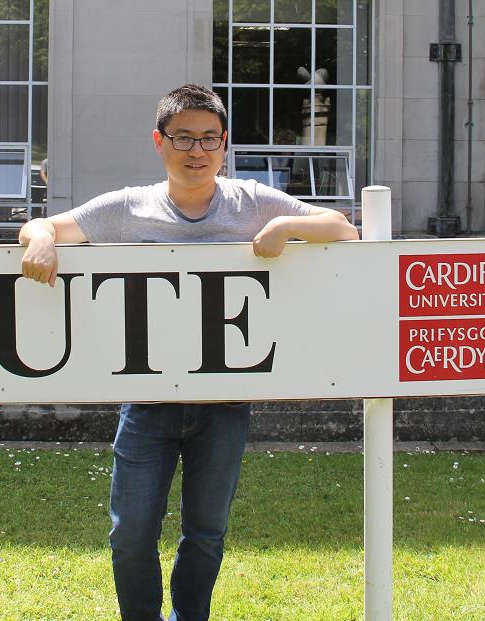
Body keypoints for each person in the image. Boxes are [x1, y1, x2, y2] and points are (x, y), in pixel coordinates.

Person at [19, 84, 358, 621]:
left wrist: (286, 225)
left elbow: (343, 229)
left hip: (225, 403)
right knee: (130, 533)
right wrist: (40, 239)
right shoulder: (128, 207)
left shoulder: (252, 201)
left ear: (224, 144)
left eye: (208, 139)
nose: (196, 151)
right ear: (160, 142)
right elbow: (45, 225)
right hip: (147, 403)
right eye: (183, 138)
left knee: (206, 532)